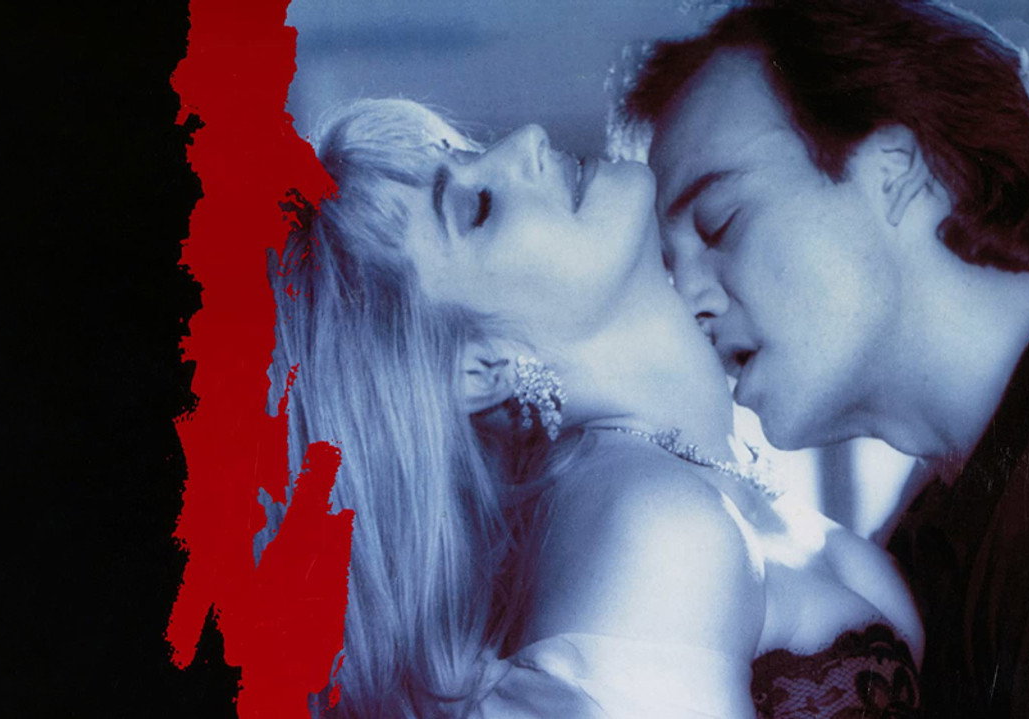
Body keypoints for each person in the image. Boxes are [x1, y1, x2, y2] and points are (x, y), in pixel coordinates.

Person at [268, 98, 924, 718]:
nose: (526, 141)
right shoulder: (654, 522)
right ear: (483, 367)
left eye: (467, 151)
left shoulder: (683, 486)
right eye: (478, 210)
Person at [623, 1, 1029, 716]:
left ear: (896, 171)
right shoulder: (951, 514)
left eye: (719, 222)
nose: (689, 301)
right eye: (669, 266)